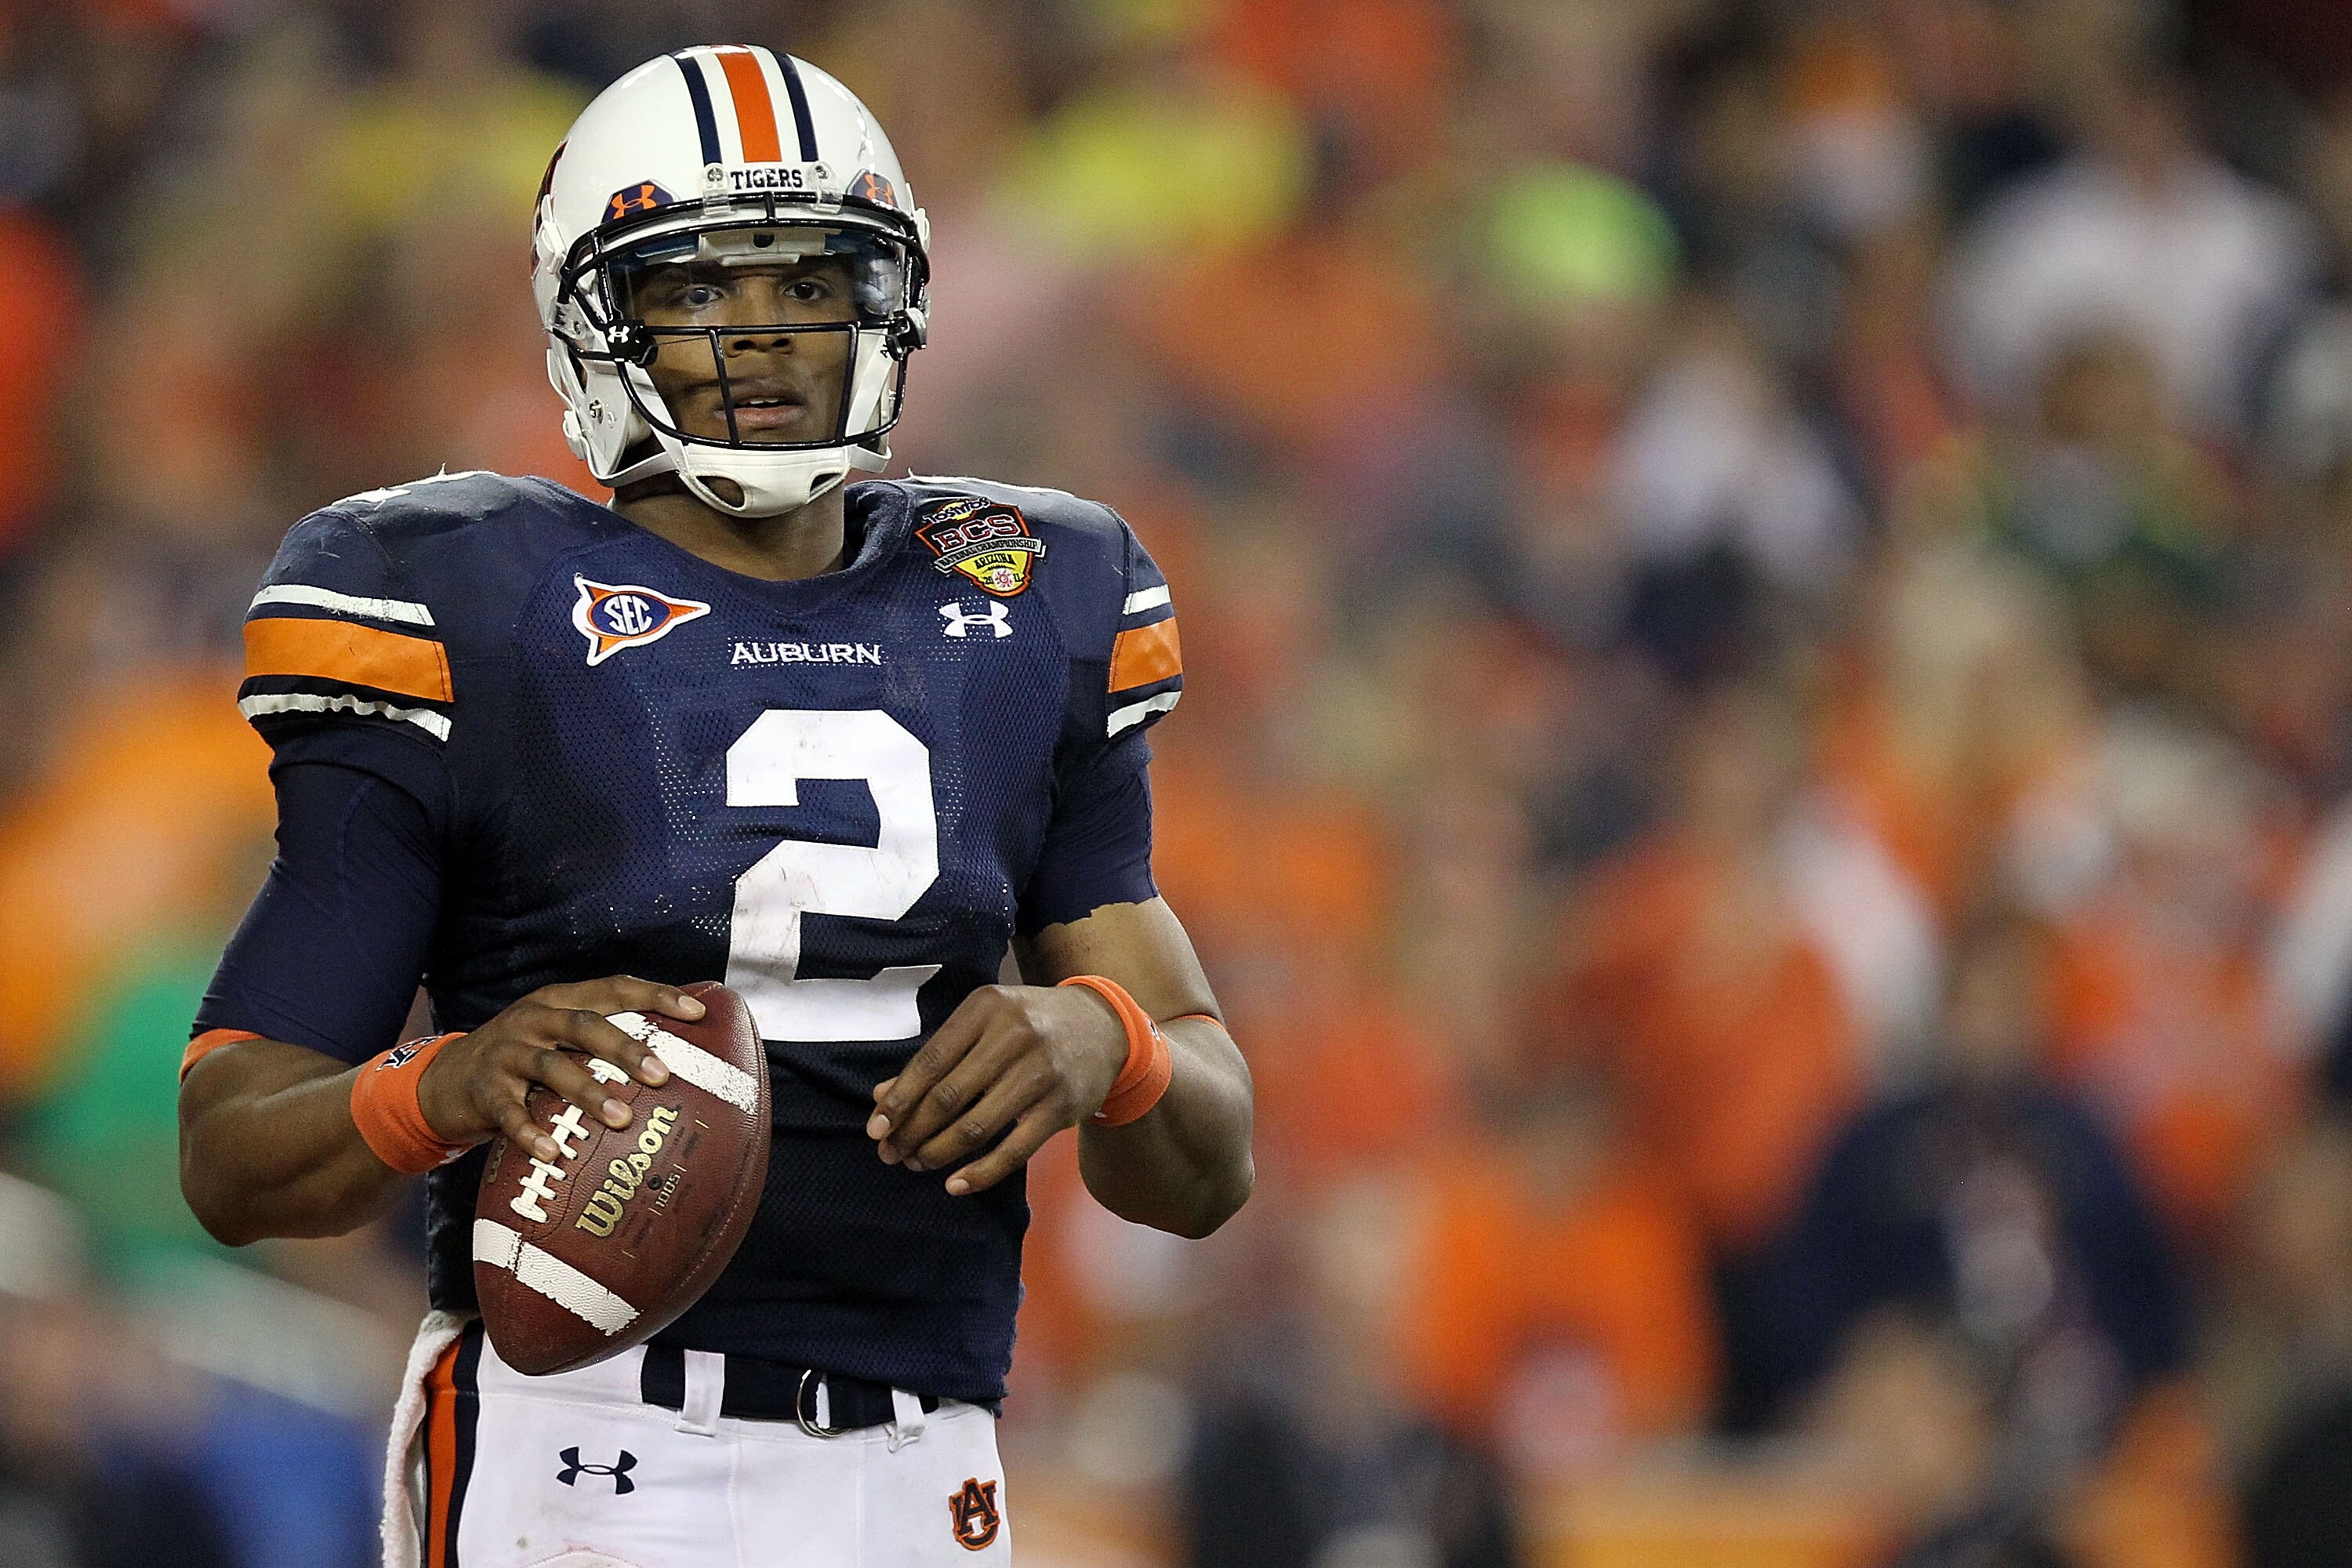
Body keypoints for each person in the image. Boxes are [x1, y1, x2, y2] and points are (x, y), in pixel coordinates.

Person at [174, 45, 1254, 1568]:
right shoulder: (463, 601)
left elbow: (1212, 1161)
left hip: (927, 1466)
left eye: (809, 282)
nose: (763, 338)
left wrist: (1107, 1043)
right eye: (699, 289)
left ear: (886, 301)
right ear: (598, 320)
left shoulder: (1025, 599)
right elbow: (230, 1149)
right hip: (587, 1447)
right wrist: (447, 1083)